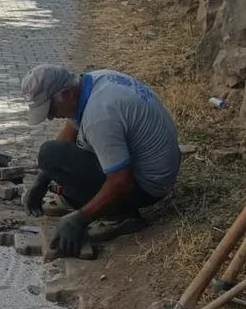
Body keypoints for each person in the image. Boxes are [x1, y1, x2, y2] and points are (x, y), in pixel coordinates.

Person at [20, 64, 181, 257]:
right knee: (52, 156)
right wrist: (44, 177)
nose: (50, 117)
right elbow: (71, 129)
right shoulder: (93, 82)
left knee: (50, 153)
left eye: (50, 109)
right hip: (155, 168)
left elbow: (121, 181)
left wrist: (80, 219)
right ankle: (87, 201)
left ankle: (120, 216)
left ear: (67, 93)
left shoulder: (99, 117)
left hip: (148, 186)